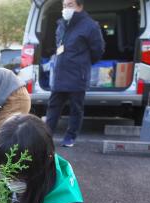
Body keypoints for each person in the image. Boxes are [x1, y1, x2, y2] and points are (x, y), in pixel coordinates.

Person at [45, 0, 105, 147]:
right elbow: (58, 45)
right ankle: (46, 136)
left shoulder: (90, 26)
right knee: (53, 107)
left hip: (78, 74)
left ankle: (70, 137)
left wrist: (82, 63)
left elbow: (98, 50)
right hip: (60, 73)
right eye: (64, 5)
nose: (66, 8)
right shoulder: (61, 24)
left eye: (70, 5)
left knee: (76, 108)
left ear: (80, 6)